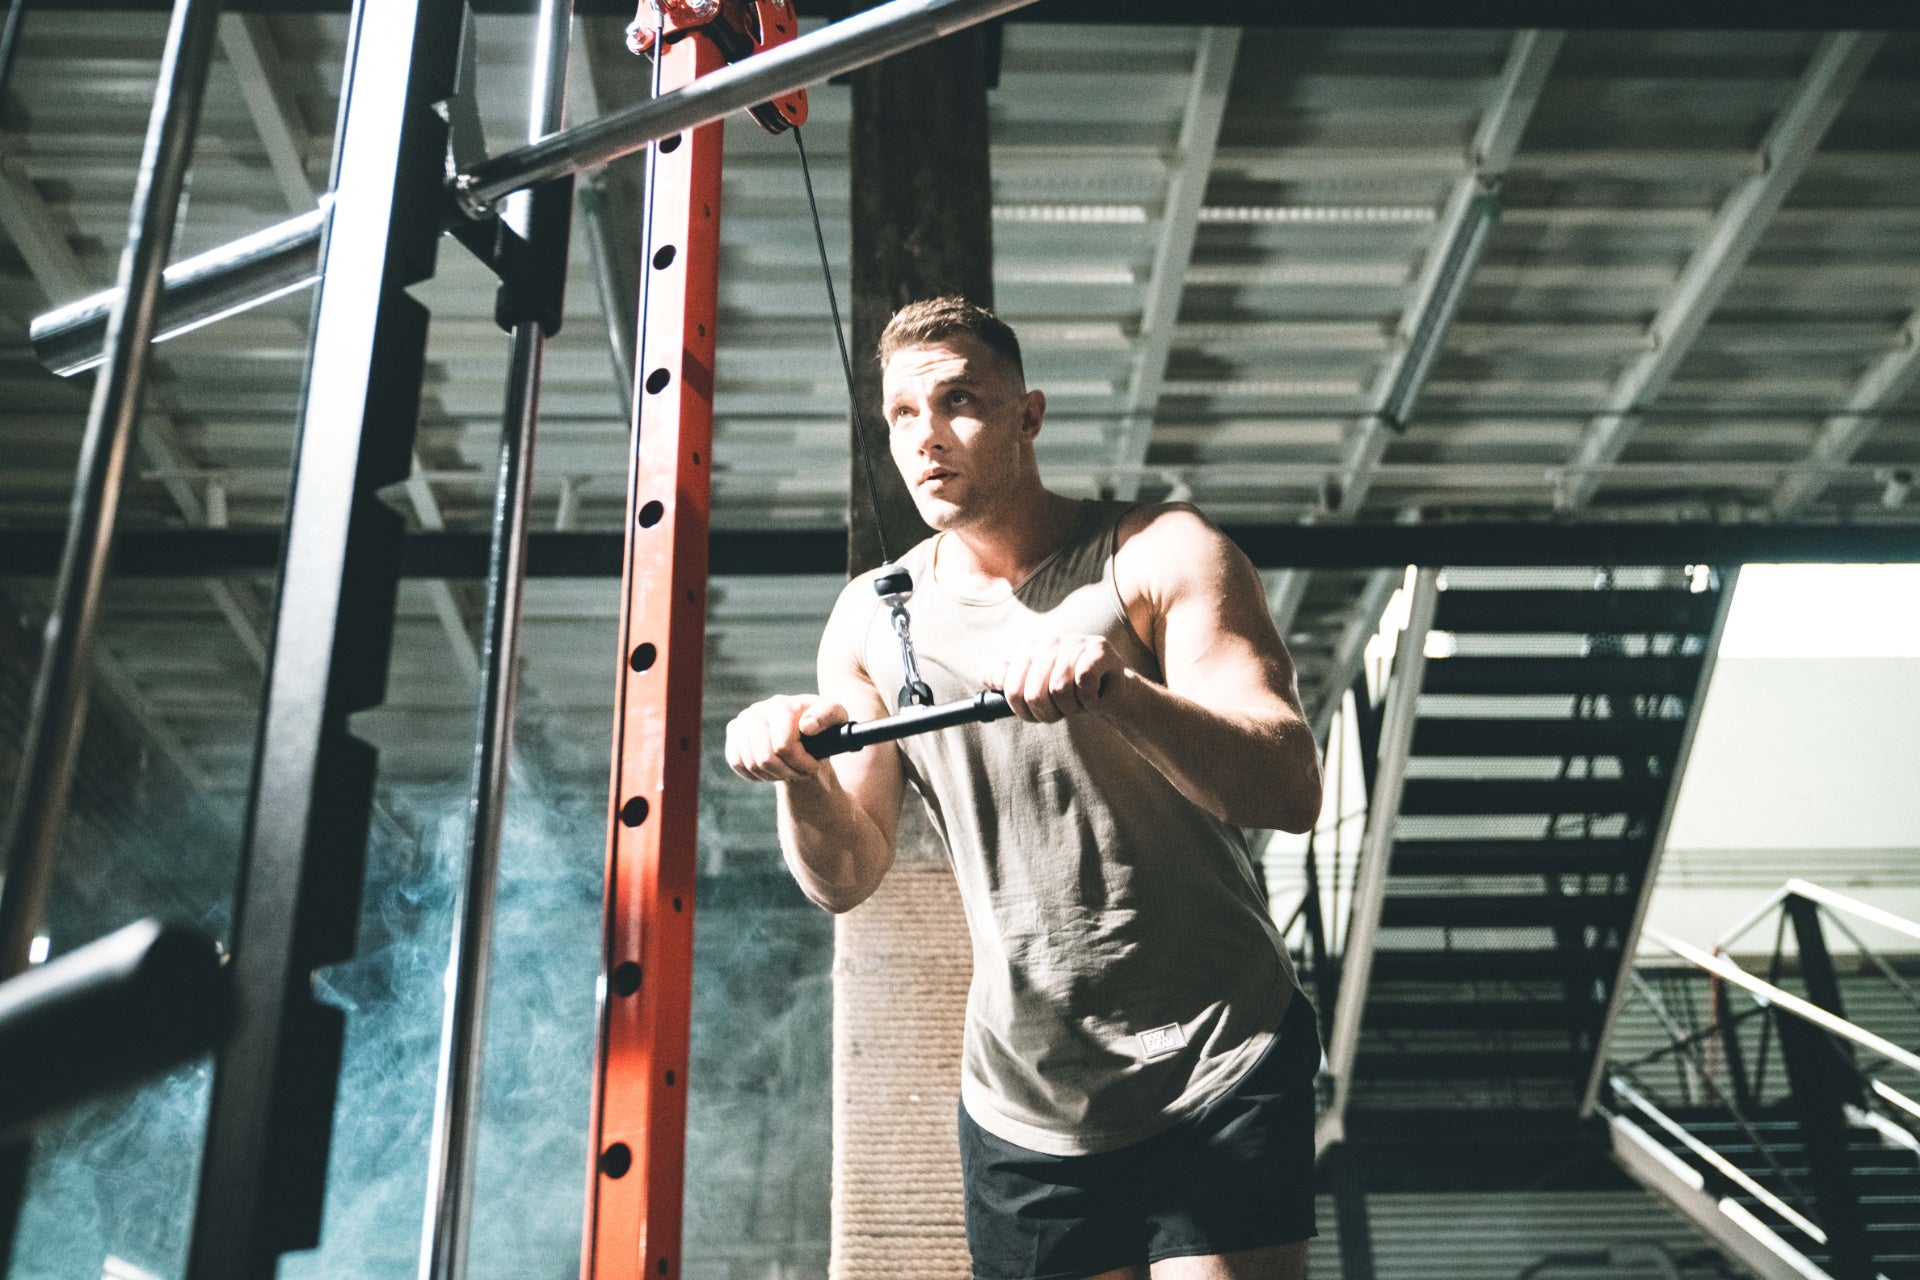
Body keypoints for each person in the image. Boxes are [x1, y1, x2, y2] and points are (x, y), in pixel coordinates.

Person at [724, 297, 1325, 1280]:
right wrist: (796, 779)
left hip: (1215, 1047)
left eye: (959, 400)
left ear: (1027, 416)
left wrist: (1118, 692)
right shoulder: (873, 620)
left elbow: (1288, 783)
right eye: (902, 414)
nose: (927, 436)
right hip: (1028, 1089)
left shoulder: (1157, 554)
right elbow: (847, 871)